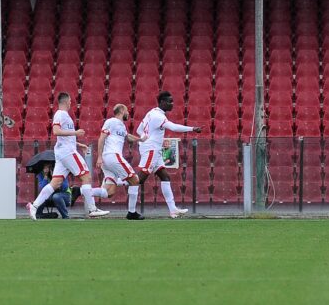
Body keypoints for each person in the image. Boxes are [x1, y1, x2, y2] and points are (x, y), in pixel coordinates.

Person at [26, 92, 110, 220]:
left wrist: (78, 143)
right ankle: (92, 209)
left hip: (63, 152)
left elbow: (63, 137)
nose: (71, 103)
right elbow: (56, 131)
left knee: (55, 183)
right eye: (70, 100)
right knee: (86, 176)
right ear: (66, 101)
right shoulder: (61, 114)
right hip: (68, 152)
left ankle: (35, 206)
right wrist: (75, 132)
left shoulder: (64, 116)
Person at [129, 91, 201, 218]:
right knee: (138, 180)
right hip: (151, 150)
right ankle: (127, 204)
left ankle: (173, 210)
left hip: (154, 150)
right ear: (162, 102)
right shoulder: (158, 116)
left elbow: (139, 130)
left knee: (165, 177)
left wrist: (144, 139)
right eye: (170, 102)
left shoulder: (151, 113)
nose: (172, 104)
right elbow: (173, 127)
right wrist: (192, 129)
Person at [94, 104, 148, 220]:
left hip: (108, 160)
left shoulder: (122, 126)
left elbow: (127, 137)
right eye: (127, 110)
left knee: (109, 192)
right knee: (134, 179)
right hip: (112, 156)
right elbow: (101, 138)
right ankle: (131, 212)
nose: (128, 113)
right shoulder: (111, 121)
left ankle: (80, 191)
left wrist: (140, 139)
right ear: (122, 110)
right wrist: (99, 156)